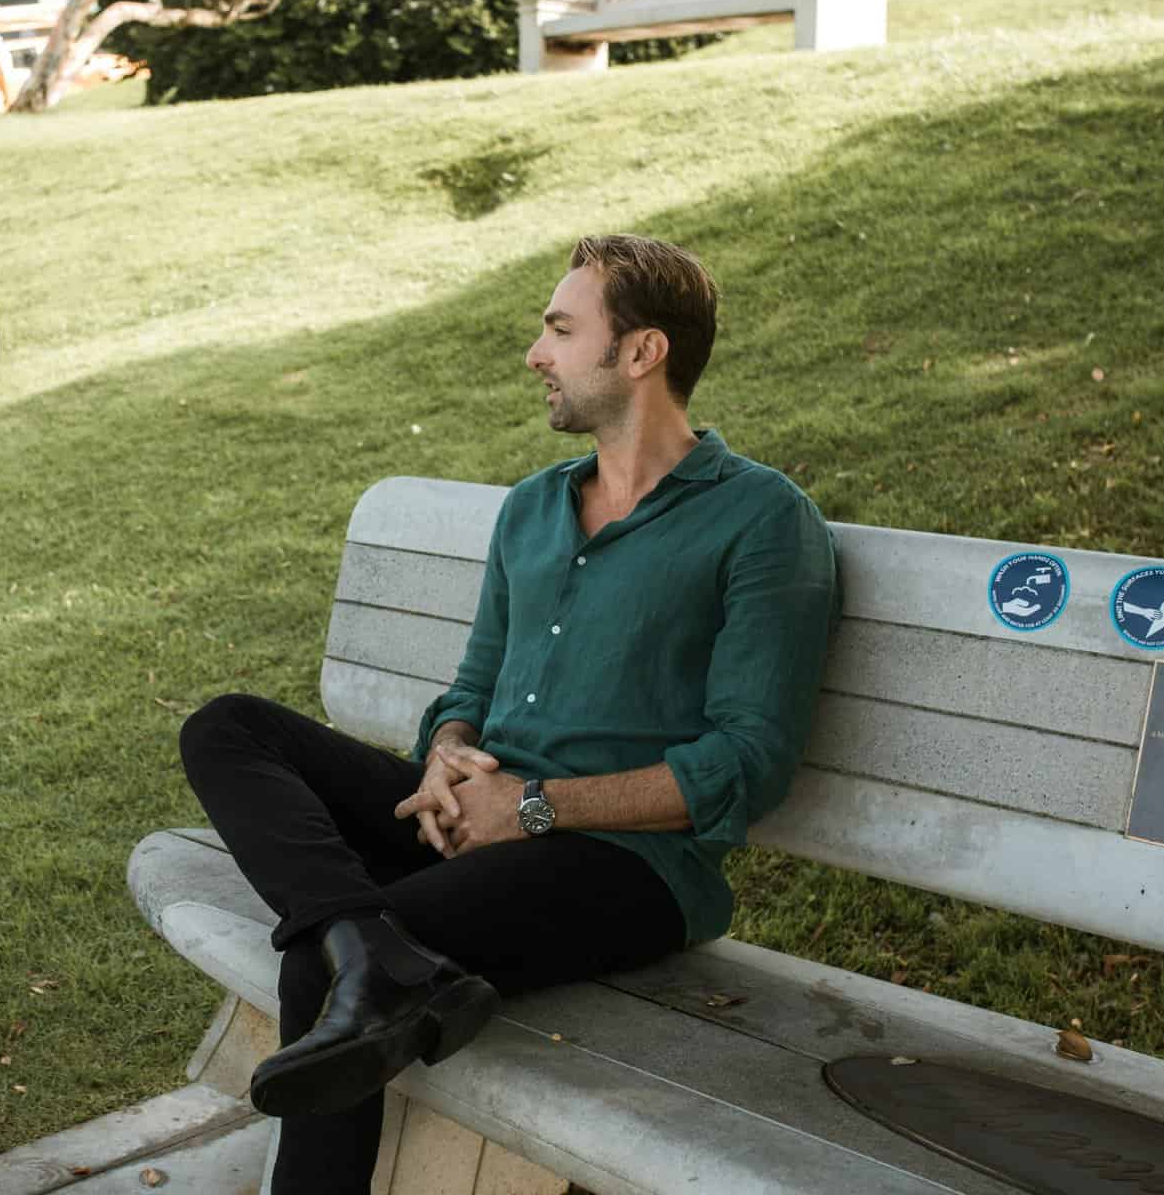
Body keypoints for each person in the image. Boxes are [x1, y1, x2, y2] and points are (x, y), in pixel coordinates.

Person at [179, 235, 839, 1193]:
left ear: (642, 353)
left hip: (626, 866)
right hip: (481, 815)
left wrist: (531, 808)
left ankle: (362, 955)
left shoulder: (764, 520)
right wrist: (448, 757)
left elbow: (749, 764)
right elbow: (471, 688)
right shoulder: (534, 506)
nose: (537, 353)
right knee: (229, 727)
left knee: (316, 973)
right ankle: (371, 945)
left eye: (562, 330)